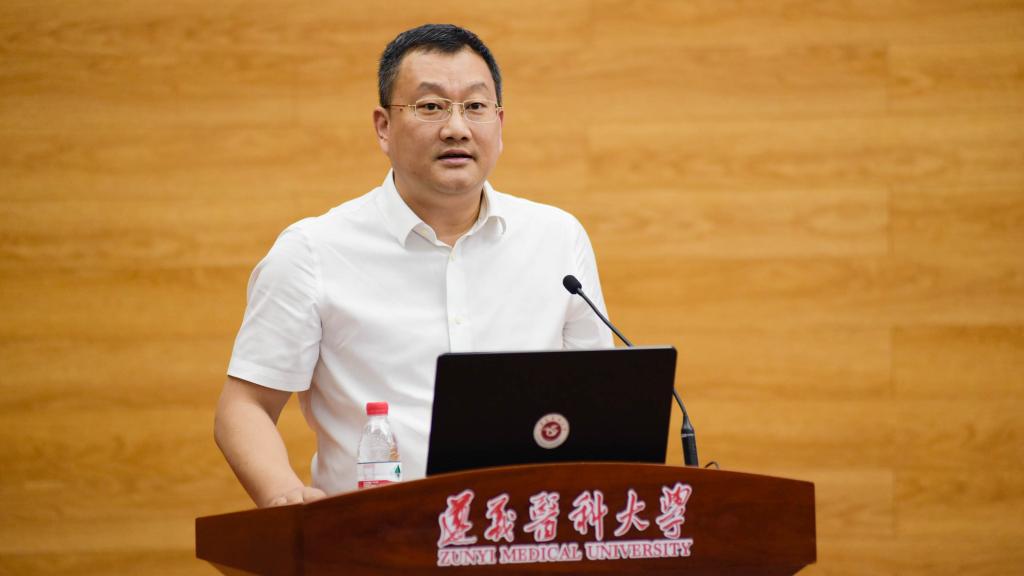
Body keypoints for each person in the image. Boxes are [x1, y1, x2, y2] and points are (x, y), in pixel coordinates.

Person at [214, 23, 613, 508]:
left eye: (475, 106)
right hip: (377, 532)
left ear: (500, 123)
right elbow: (245, 406)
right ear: (384, 127)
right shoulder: (313, 252)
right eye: (430, 106)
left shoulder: (556, 239)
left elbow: (598, 399)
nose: (457, 127)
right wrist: (285, 497)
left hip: (525, 529)